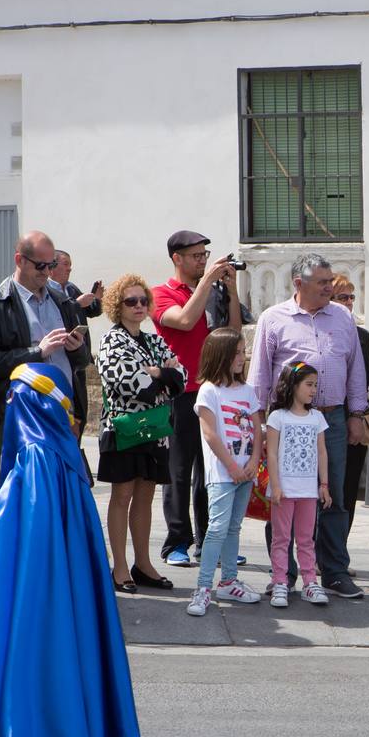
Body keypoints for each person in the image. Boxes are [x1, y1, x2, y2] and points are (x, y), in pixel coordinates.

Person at [0, 362, 142, 737]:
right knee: (73, 652)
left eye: (14, 396)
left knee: (13, 653)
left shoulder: (34, 453)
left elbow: (22, 512)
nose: (10, 403)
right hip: (67, 586)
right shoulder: (65, 453)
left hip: (32, 585)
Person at [247, 253, 368, 598]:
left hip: (332, 418)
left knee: (335, 496)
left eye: (331, 281)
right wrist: (257, 422)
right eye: (323, 282)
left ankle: (333, 572)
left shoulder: (343, 318)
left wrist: (357, 413)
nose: (330, 287)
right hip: (286, 422)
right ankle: (283, 574)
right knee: (282, 495)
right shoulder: (273, 319)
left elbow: (355, 368)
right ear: (299, 284)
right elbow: (259, 376)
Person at [151, 230, 240, 568]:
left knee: (212, 471)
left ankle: (209, 540)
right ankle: (176, 543)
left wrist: (230, 290)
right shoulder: (160, 294)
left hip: (212, 392)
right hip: (179, 395)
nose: (202, 261)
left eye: (205, 254)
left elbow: (231, 333)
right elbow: (185, 321)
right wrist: (207, 284)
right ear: (177, 258)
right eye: (196, 256)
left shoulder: (213, 291)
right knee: (177, 471)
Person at [95, 274, 184, 594]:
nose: (138, 306)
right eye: (130, 301)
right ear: (117, 306)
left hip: (156, 430)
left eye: (143, 300)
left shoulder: (153, 340)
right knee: (122, 496)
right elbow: (129, 384)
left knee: (146, 496)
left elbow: (181, 377)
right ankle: (119, 566)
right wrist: (163, 376)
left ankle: (143, 563)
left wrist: (159, 374)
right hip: (124, 429)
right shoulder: (111, 340)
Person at [0, 230, 89, 450]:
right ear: (20, 260)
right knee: (26, 481)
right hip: (21, 413)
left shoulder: (65, 302)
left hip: (64, 411)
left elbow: (82, 362)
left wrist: (77, 349)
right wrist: (37, 352)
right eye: (41, 265)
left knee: (63, 482)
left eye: (51, 265)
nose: (47, 272)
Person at [187, 328, 262, 617]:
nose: (242, 358)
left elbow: (257, 427)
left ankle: (229, 580)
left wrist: (253, 461)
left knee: (233, 527)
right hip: (223, 473)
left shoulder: (247, 391)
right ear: (222, 356)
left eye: (243, 352)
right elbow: (210, 434)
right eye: (238, 352)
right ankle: (203, 587)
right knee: (217, 529)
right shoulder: (209, 390)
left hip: (245, 472)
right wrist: (232, 466)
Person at [265, 362, 332, 608]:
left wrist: (323, 484)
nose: (314, 390)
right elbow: (271, 453)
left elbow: (322, 452)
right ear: (293, 385)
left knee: (306, 539)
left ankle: (310, 582)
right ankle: (280, 582)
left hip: (308, 492)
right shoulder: (277, 417)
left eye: (316, 385)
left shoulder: (317, 417)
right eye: (309, 384)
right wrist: (276, 484)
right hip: (284, 490)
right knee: (281, 538)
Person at [331, 273, 369, 541]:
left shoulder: (361, 335)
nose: (348, 303)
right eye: (342, 297)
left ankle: (339, 552)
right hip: (324, 419)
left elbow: (366, 378)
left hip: (353, 417)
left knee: (348, 489)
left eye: (351, 297)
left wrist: (355, 416)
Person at [50, 249, 103, 319]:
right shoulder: (45, 291)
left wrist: (97, 299)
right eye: (65, 264)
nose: (69, 269)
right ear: (52, 266)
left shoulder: (71, 288)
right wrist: (77, 304)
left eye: (70, 265)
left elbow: (91, 312)